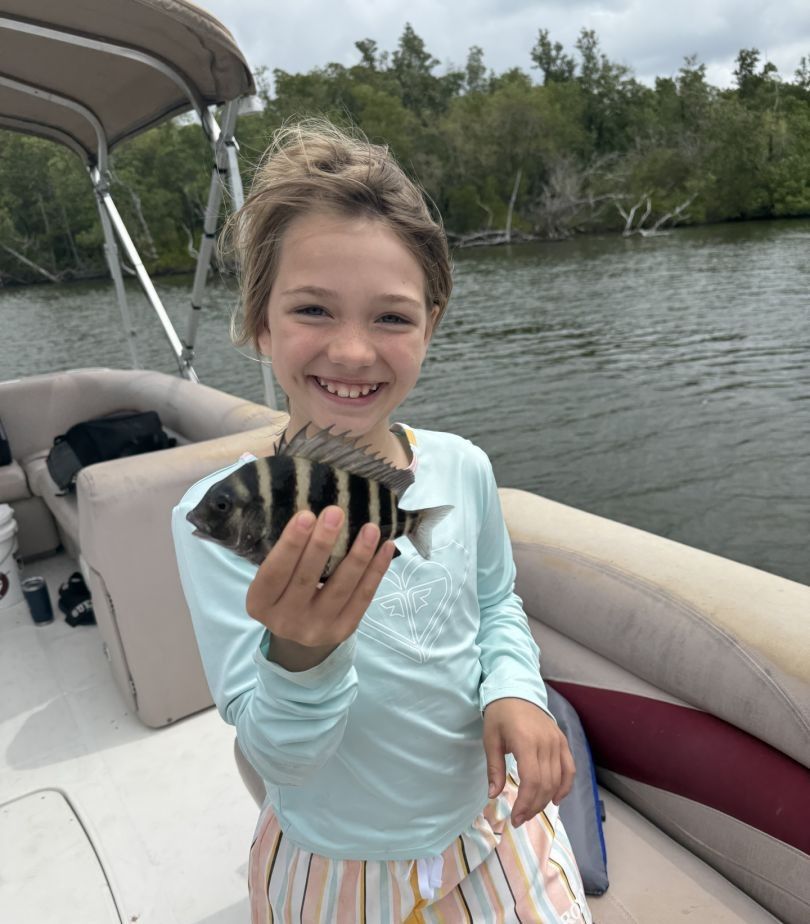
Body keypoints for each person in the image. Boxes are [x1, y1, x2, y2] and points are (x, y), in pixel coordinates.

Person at [172, 119, 592, 923]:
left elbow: (496, 604)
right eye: (313, 310)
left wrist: (516, 692)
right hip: (336, 861)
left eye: (393, 318)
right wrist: (301, 656)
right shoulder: (218, 524)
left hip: (489, 827)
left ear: (431, 326)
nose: (355, 352)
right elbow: (278, 759)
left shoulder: (462, 468)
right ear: (261, 324)